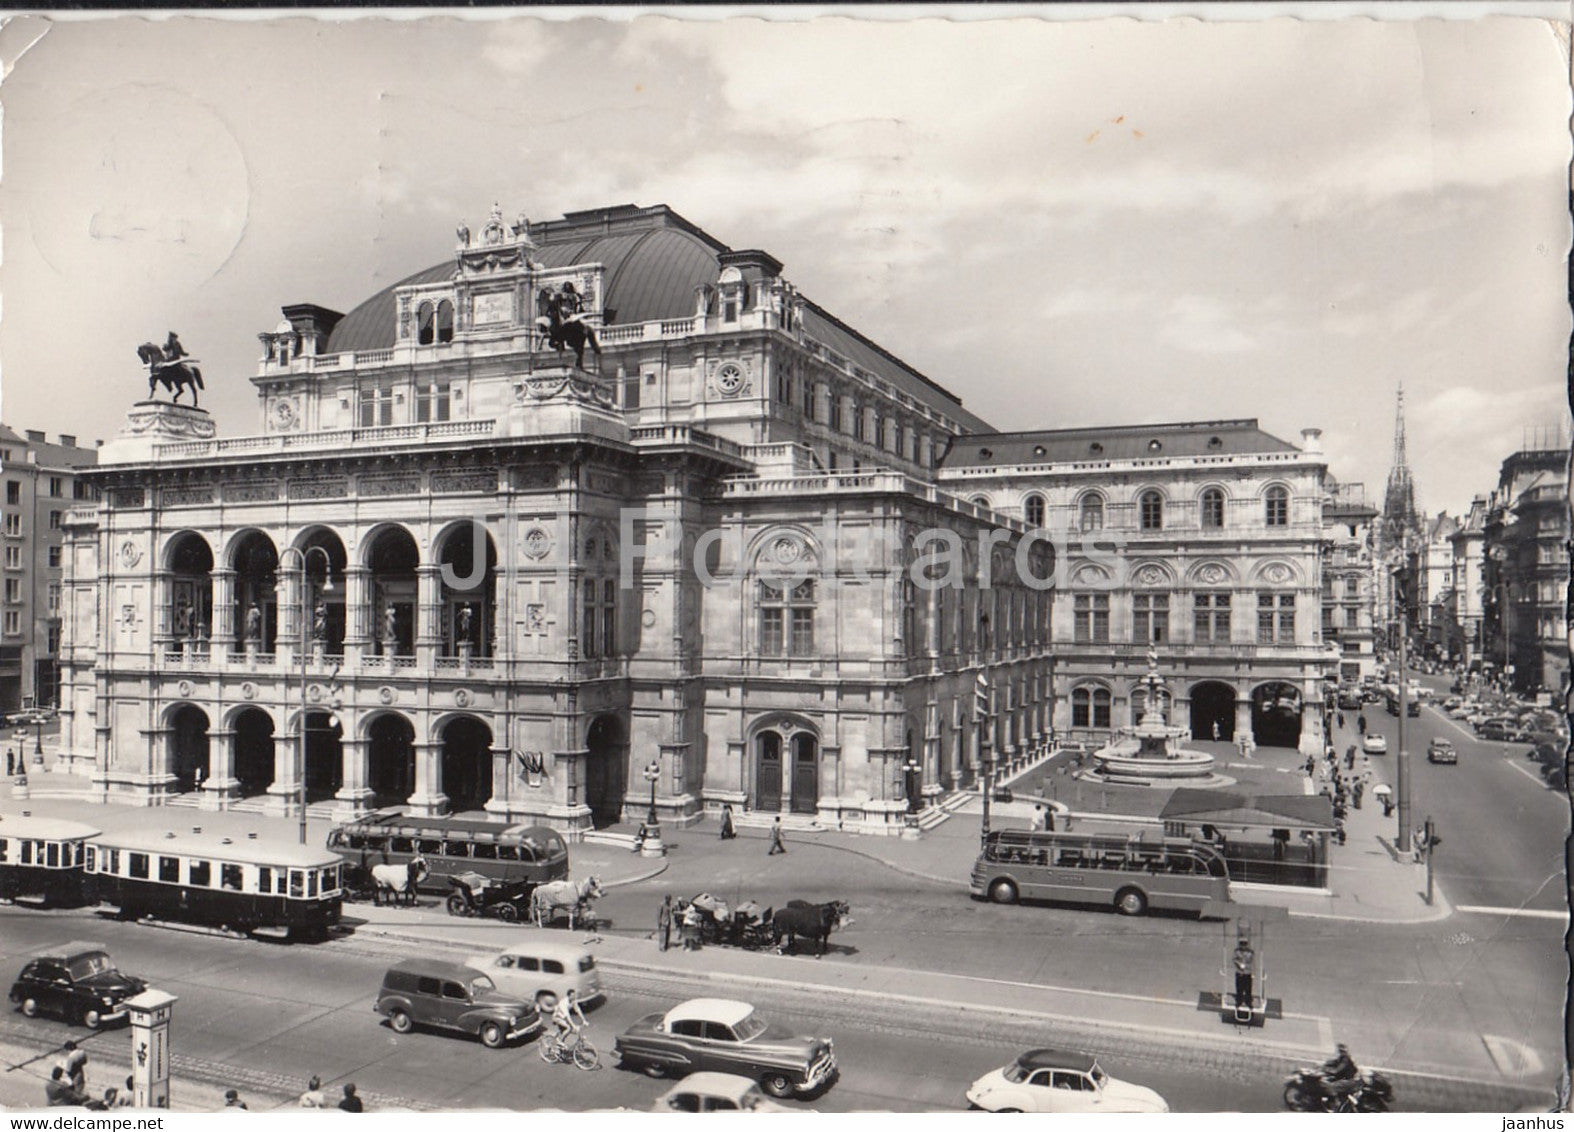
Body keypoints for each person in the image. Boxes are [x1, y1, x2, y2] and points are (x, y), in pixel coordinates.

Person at [1231, 936, 1255, 1008]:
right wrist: (1239, 963)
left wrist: (1253, 972)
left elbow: (1253, 963)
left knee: (1248, 989)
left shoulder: (1250, 952)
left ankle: (1248, 1002)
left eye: (1245, 944)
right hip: (1240, 972)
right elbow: (1234, 959)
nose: (1243, 946)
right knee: (1239, 988)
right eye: (1242, 944)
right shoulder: (1237, 951)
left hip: (1247, 972)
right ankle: (1239, 1001)